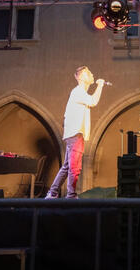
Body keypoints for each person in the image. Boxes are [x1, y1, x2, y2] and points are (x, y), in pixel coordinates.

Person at [45, 66, 105, 199]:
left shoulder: (79, 93)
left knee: (67, 167)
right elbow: (93, 101)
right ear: (82, 76)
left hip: (74, 134)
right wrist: (100, 86)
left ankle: (53, 193)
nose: (92, 74)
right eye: (89, 72)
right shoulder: (78, 92)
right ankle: (71, 195)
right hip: (75, 134)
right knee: (74, 167)